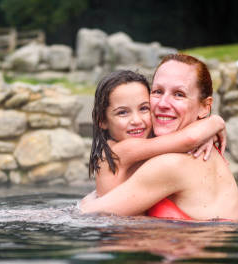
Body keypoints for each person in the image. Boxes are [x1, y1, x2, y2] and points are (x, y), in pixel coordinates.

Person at [81, 54, 238, 222]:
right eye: (157, 91)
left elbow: (87, 214)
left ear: (205, 107)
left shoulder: (172, 164)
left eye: (179, 94)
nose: (163, 104)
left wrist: (87, 201)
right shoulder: (197, 150)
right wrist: (213, 123)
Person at [88, 69, 227, 198]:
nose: (136, 120)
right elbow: (189, 139)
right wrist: (216, 122)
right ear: (102, 121)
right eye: (122, 112)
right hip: (114, 223)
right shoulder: (119, 151)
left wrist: (208, 135)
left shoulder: (145, 145)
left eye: (144, 108)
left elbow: (183, 138)